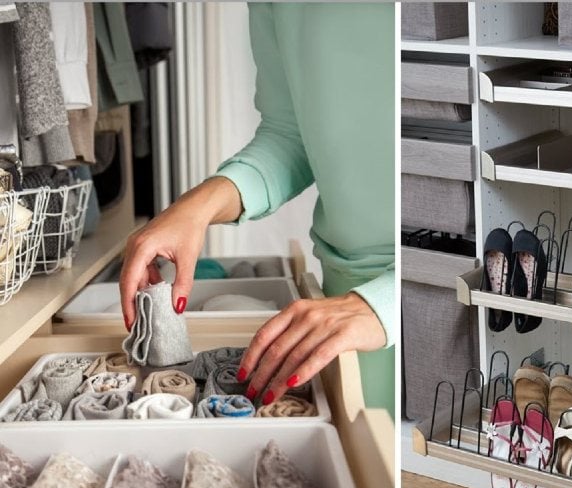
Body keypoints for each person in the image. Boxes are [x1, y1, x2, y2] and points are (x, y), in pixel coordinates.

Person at [119, 3, 394, 413]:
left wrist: (386, 302)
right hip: (338, 308)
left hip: (410, 303)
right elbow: (291, 136)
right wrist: (198, 205)